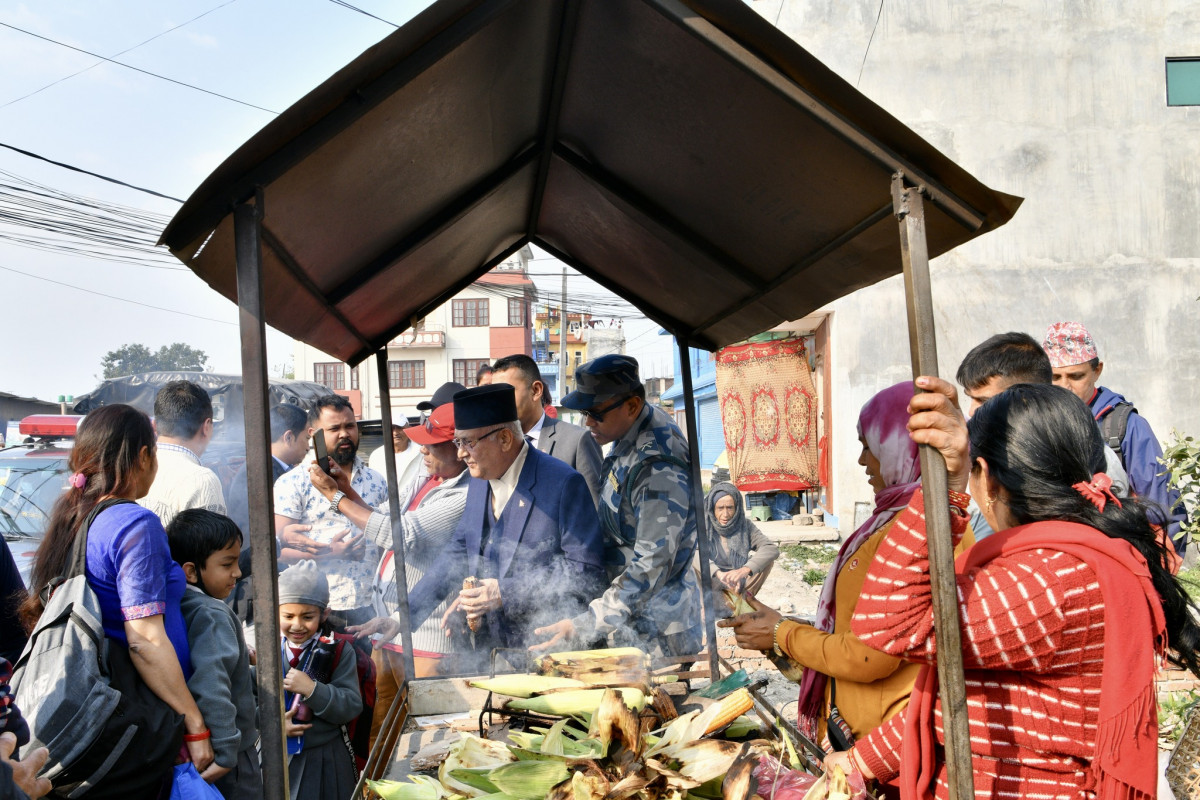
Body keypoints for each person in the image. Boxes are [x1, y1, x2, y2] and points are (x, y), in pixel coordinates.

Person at [826, 378, 1200, 798]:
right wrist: (863, 760)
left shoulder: (1051, 581)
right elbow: (967, 700)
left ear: (986, 478)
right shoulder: (1058, 562)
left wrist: (947, 491)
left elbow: (884, 622)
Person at [719, 383, 973, 771]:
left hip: (886, 748)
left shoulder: (925, 531)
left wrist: (781, 632)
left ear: (898, 447)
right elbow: (857, 626)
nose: (860, 460)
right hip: (852, 731)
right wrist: (777, 623)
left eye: (868, 445)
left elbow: (871, 654)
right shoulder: (888, 521)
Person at [20, 405, 214, 778]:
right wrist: (194, 722)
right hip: (138, 713)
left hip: (96, 712)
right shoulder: (135, 522)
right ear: (144, 456)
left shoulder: (74, 517)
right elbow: (144, 639)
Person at [307, 401, 471, 751]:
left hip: (427, 637)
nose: (423, 451)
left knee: (428, 736)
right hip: (391, 625)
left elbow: (399, 535)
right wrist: (345, 490)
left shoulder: (465, 493)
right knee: (382, 728)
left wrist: (336, 498)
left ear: (461, 447)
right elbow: (382, 516)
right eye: (422, 443)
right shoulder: (426, 477)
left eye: (432, 444)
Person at [404, 384, 606, 663]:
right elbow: (459, 550)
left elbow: (585, 572)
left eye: (468, 443)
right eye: (457, 443)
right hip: (492, 651)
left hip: (547, 649)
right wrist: (405, 615)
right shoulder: (479, 479)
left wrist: (504, 592)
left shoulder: (562, 483)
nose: (461, 454)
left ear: (505, 439)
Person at [533, 355, 703, 657]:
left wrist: (586, 624)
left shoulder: (657, 467)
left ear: (633, 405)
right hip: (630, 617)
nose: (588, 423)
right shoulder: (630, 430)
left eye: (596, 413)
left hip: (658, 631)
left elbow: (652, 564)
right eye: (585, 412)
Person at [955, 331, 1129, 538]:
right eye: (971, 399)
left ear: (1024, 397)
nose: (972, 412)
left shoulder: (1093, 458)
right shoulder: (991, 453)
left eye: (984, 401)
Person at [1043, 321, 1187, 552]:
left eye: (1076, 376)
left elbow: (1162, 508)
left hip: (1121, 556)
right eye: (1055, 377)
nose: (1065, 387)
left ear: (1097, 370)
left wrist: (1157, 572)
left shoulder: (1126, 427)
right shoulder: (1037, 423)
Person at [166, 509, 261, 800]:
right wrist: (226, 751)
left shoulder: (179, 604)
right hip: (228, 756)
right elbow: (211, 684)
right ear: (191, 571)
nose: (238, 572)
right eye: (227, 564)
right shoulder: (212, 613)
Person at [275, 395, 387, 627]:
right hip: (318, 610)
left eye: (350, 426)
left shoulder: (376, 480)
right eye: (334, 428)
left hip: (373, 606)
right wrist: (330, 553)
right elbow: (277, 551)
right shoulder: (294, 482)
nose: (344, 434)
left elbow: (387, 536)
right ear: (313, 433)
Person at [276, 561, 362, 800]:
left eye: (307, 616)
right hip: (277, 754)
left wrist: (312, 689)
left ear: (324, 613)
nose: (297, 625)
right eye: (288, 615)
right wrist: (273, 724)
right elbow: (247, 700)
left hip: (326, 756)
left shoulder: (339, 651)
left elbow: (351, 705)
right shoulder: (267, 653)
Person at [225, 403, 311, 624]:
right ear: (289, 437)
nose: (308, 447)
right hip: (255, 586)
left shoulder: (272, 469)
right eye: (306, 438)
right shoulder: (263, 474)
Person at [491, 354, 603, 505]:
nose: (499, 403)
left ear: (536, 390)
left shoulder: (576, 442)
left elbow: (594, 509)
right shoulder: (494, 445)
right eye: (495, 396)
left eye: (506, 393)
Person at [139, 380, 226, 527]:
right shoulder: (202, 480)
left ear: (154, 426)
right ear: (206, 426)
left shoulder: (132, 470)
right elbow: (212, 548)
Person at [702, 481, 779, 606]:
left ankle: (741, 601)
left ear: (737, 508)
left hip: (738, 581)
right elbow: (694, 552)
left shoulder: (745, 525)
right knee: (691, 562)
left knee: (766, 562)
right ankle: (705, 605)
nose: (725, 514)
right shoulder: (704, 525)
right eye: (720, 508)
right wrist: (719, 573)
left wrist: (744, 570)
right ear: (712, 508)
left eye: (730, 508)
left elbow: (770, 548)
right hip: (713, 580)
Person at [367, 423, 422, 493]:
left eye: (399, 427)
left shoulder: (421, 453)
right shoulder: (376, 456)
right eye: (391, 428)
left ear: (409, 428)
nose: (395, 433)